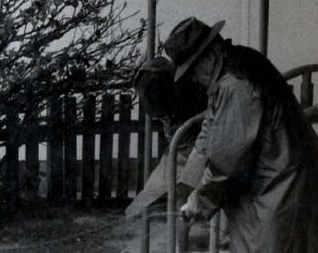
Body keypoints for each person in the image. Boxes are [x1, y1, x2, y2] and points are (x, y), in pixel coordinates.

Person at [163, 17, 318, 253]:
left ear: (210, 54)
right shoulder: (234, 65)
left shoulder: (236, 84)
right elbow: (210, 129)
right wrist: (187, 183)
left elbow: (226, 163)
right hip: (272, 183)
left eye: (193, 69)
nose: (193, 78)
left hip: (280, 187)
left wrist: (196, 204)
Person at [125, 56, 208, 219]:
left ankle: (182, 236)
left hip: (203, 145)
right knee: (137, 209)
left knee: (186, 196)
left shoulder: (195, 89)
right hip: (179, 148)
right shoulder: (158, 100)